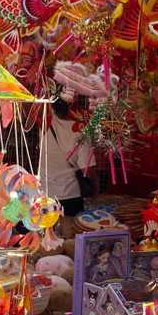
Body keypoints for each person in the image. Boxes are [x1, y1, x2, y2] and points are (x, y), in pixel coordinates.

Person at [43, 98, 94, 233]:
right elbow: (87, 168)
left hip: (45, 192)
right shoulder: (81, 131)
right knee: (71, 238)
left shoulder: (45, 122)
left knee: (47, 237)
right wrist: (94, 185)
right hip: (71, 194)